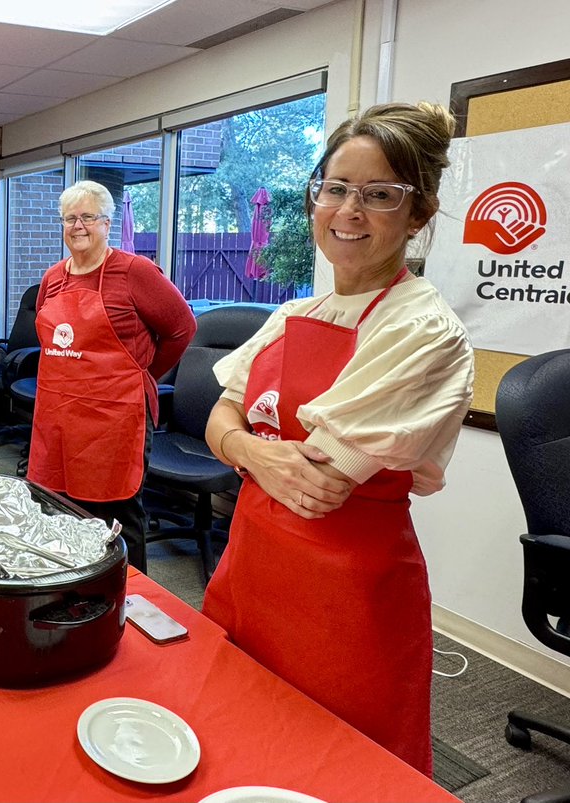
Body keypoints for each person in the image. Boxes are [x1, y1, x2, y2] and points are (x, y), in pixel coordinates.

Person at [201, 102, 474, 776]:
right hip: (252, 564)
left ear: (418, 214)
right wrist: (256, 450)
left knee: (338, 769)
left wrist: (244, 445)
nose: (350, 210)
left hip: (345, 597)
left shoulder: (423, 329)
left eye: (380, 194)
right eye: (336, 188)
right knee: (240, 741)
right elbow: (216, 419)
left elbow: (319, 481)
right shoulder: (295, 312)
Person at [28, 180, 196, 572]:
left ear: (107, 223)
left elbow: (181, 329)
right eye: (70, 218)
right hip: (59, 414)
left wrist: (140, 373)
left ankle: (131, 596)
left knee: (117, 514)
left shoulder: (134, 272)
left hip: (115, 417)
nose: (78, 226)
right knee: (61, 507)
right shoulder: (53, 278)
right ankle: (72, 586)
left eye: (88, 217)